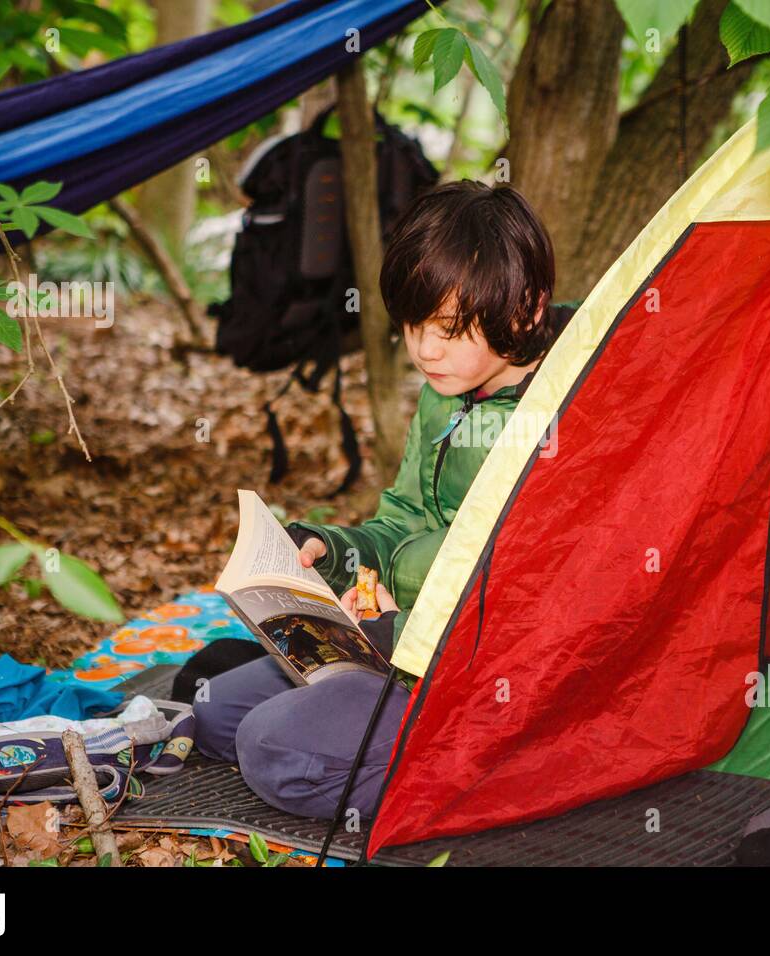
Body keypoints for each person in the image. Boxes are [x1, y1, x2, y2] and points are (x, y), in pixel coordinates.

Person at [194, 180, 579, 818]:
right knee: (211, 710)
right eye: (412, 323)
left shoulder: (564, 416)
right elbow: (403, 520)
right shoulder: (449, 389)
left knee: (270, 749)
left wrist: (400, 627)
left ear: (526, 310)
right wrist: (334, 551)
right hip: (393, 645)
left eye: (450, 329)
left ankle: (508, 783)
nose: (425, 349)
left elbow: (535, 595)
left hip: (481, 678)